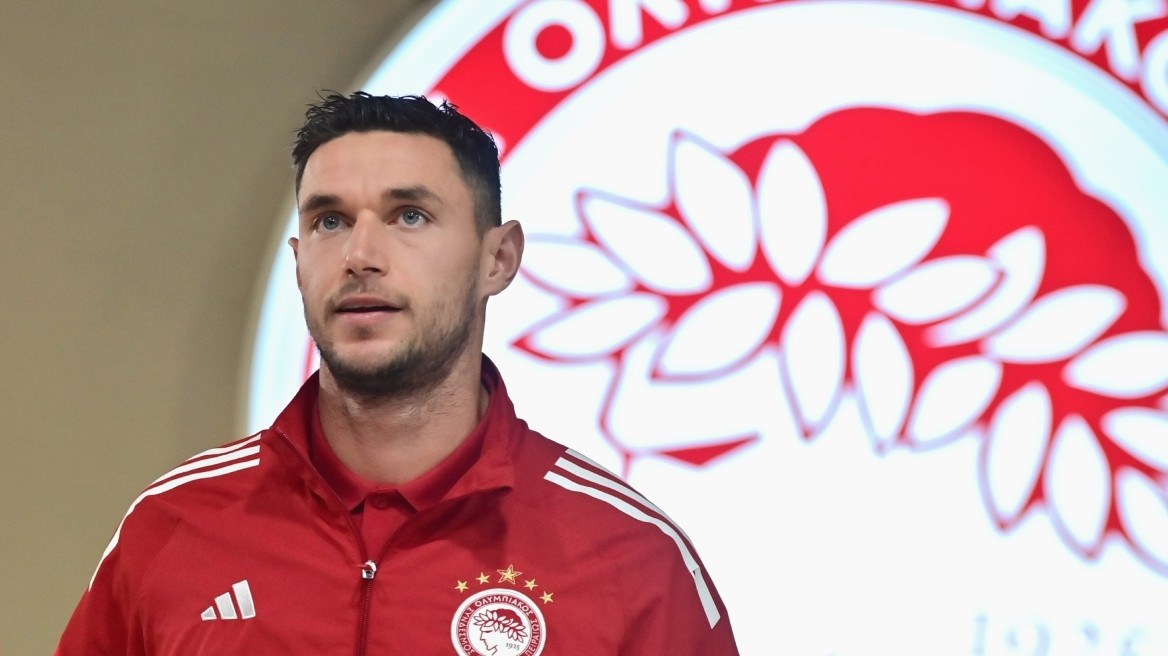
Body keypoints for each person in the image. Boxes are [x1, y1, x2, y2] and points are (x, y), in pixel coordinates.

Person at [56, 92, 740, 655]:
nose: (360, 254)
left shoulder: (629, 559)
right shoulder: (172, 526)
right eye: (329, 222)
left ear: (499, 259)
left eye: (409, 216)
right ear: (298, 262)